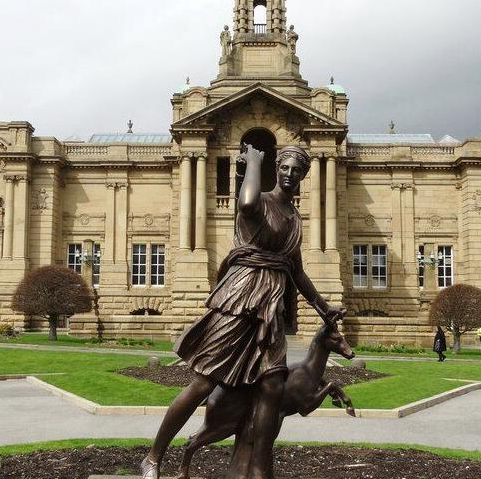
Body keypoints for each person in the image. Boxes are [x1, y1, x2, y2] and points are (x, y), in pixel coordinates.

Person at [139, 144, 343, 479]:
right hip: (239, 302)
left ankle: (258, 471)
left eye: (297, 171)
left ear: (305, 176)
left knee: (273, 387)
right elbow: (245, 202)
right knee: (204, 383)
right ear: (276, 169)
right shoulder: (258, 202)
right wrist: (253, 162)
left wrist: (323, 308)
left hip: (270, 311)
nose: (290, 175)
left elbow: (297, 270)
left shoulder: (295, 220)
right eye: (285, 168)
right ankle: (153, 456)